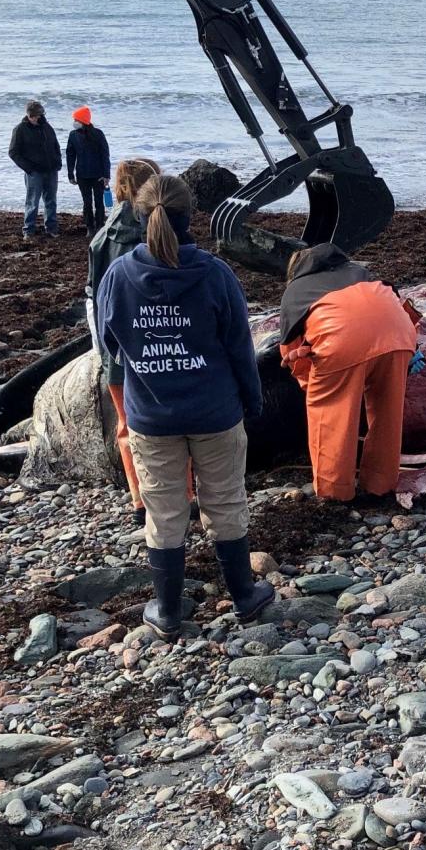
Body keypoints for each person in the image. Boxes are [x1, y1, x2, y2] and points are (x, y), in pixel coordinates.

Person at [96, 174, 272, 640]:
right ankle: (244, 598)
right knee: (226, 502)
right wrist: (252, 401)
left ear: (138, 214)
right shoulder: (214, 273)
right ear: (189, 215)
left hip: (152, 416)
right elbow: (240, 347)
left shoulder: (119, 275)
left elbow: (110, 344)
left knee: (165, 511)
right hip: (215, 412)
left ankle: (168, 611)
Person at [279, 244, 422, 502]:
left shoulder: (296, 291)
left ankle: (334, 494)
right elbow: (397, 306)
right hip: (399, 336)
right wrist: (413, 348)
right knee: (387, 414)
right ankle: (381, 486)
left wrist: (314, 386)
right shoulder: (362, 273)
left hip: (341, 339)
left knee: (331, 418)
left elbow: (291, 351)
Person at [87, 157, 164, 523]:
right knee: (172, 418)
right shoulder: (159, 230)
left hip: (117, 349)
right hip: (158, 343)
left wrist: (105, 352)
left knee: (127, 424)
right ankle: (184, 493)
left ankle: (139, 500)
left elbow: (95, 297)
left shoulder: (102, 237)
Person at [8, 99, 62, 239]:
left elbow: (55, 144)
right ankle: (28, 230)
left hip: (51, 169)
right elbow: (13, 153)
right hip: (34, 172)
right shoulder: (20, 129)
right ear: (29, 115)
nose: (38, 118)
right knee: (32, 201)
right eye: (35, 116)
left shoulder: (46, 126)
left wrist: (58, 162)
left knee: (51, 200)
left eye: (40, 115)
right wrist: (29, 168)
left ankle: (51, 228)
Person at [66, 106, 111, 236]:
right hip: (82, 175)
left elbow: (105, 155)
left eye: (76, 119)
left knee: (98, 202)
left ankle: (100, 226)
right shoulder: (73, 135)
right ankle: (90, 227)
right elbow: (70, 155)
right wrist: (70, 174)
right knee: (87, 202)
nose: (74, 122)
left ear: (82, 120)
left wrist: (106, 175)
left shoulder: (98, 134)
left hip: (98, 175)